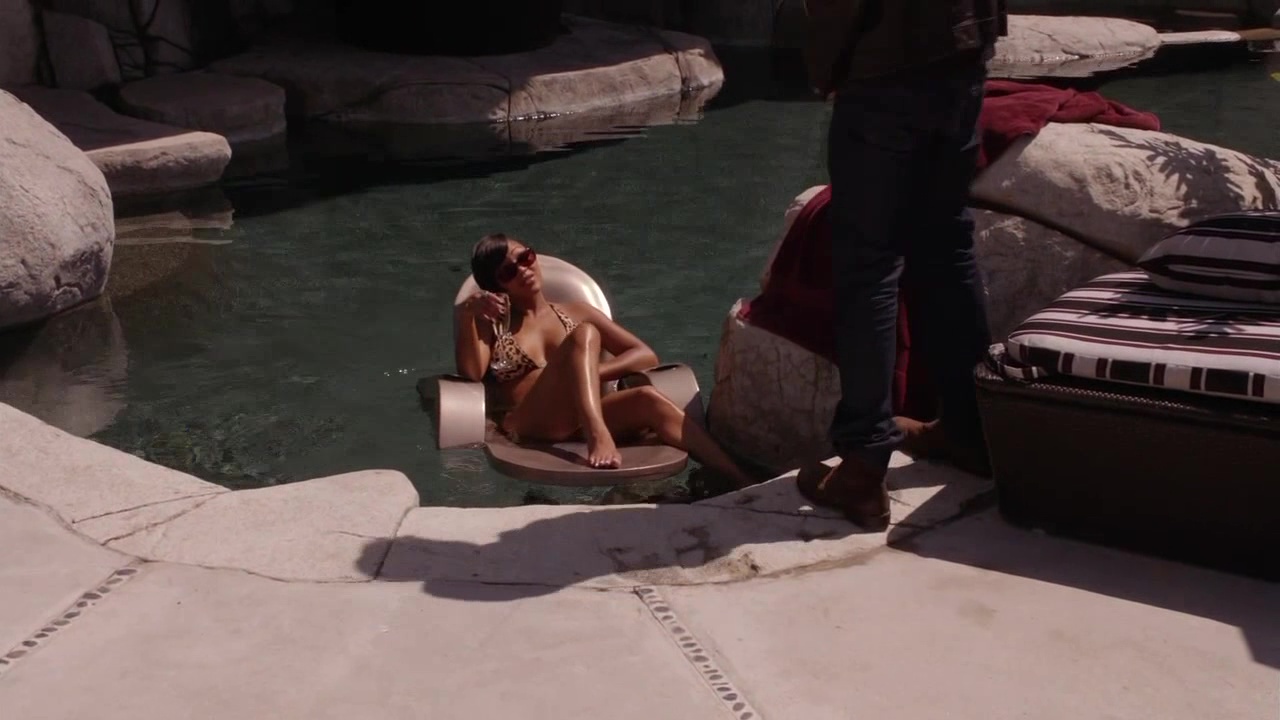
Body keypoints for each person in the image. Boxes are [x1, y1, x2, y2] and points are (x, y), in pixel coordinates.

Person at [797, 1, 1008, 530]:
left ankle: (864, 465)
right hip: (961, 57)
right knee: (947, 247)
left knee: (869, 266)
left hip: (886, 69)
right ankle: (970, 431)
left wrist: (830, 70)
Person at [454, 233, 757, 486]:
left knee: (648, 399)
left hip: (578, 419)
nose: (523, 270)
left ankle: (741, 482)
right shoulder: (493, 323)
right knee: (585, 334)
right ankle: (597, 433)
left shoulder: (577, 311)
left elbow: (645, 355)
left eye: (525, 257)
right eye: (508, 272)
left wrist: (588, 373)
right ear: (496, 286)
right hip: (528, 425)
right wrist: (467, 314)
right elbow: (472, 373)